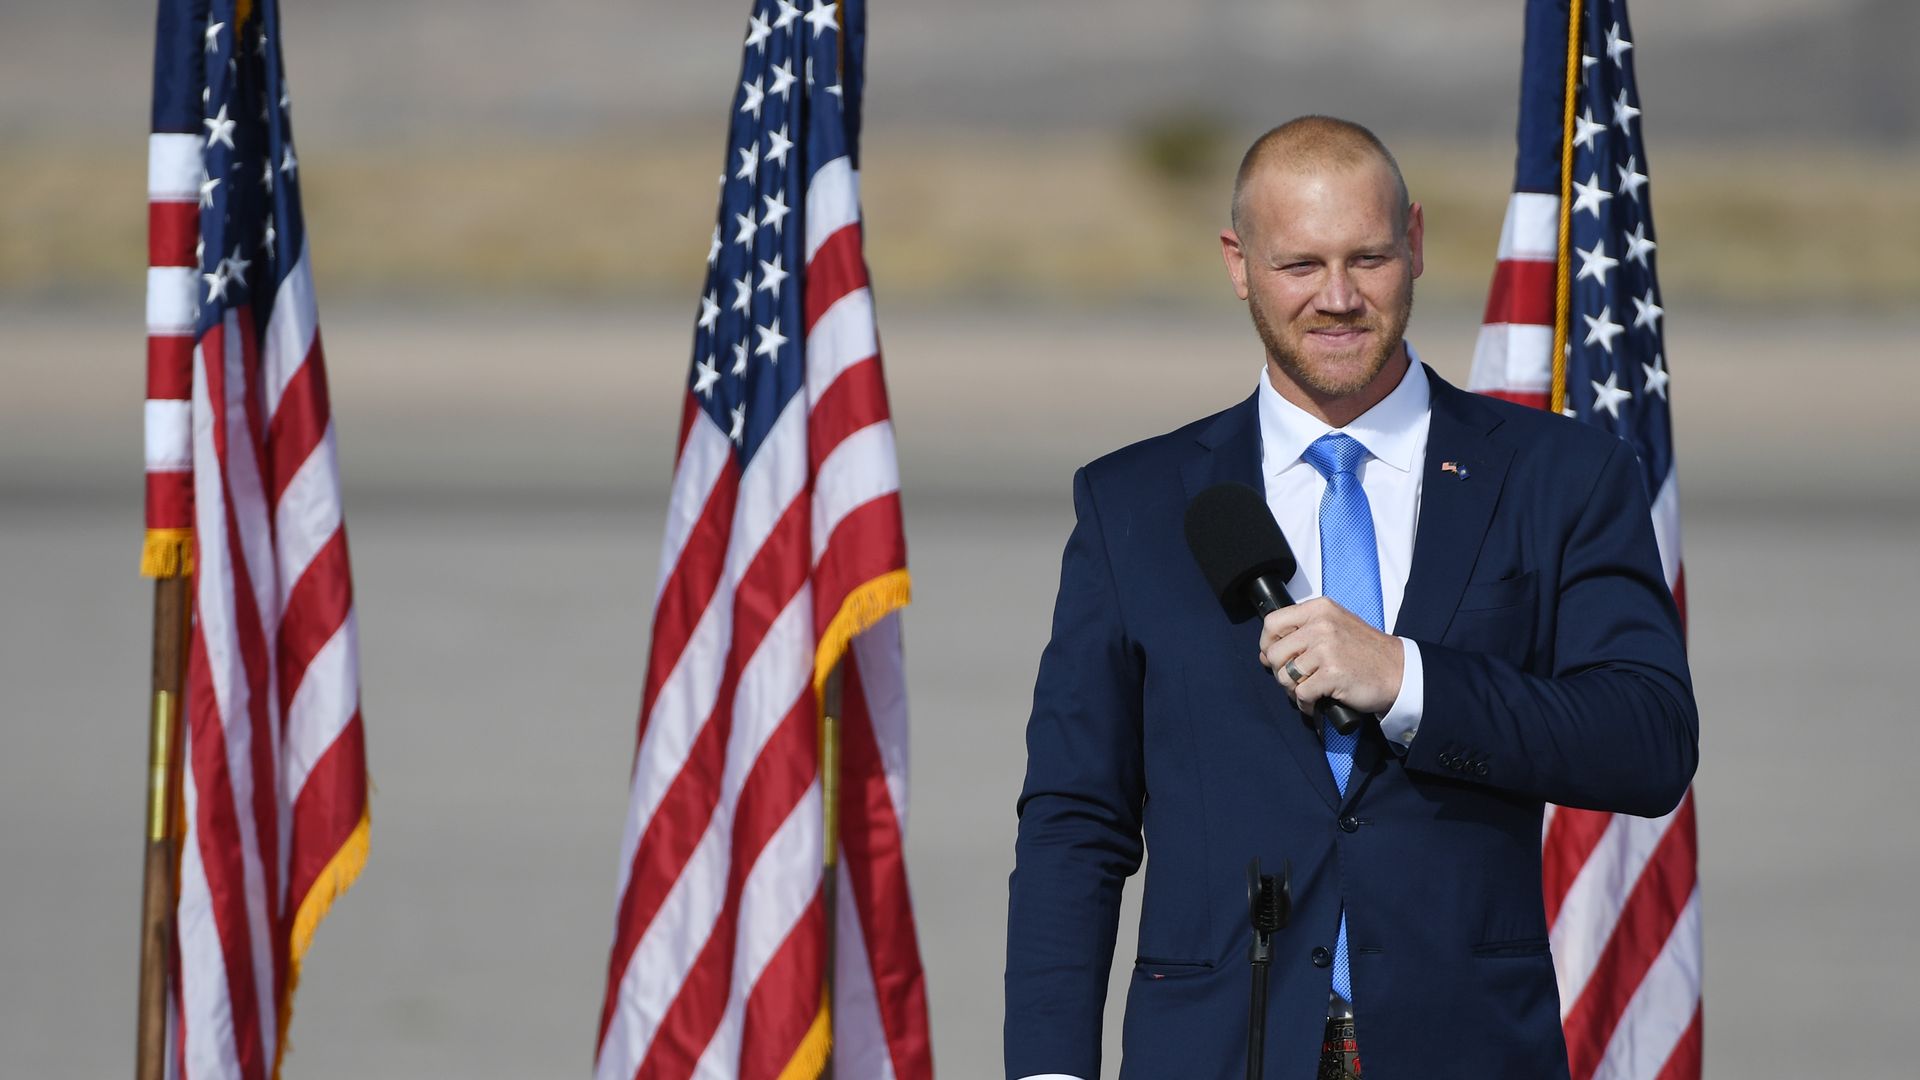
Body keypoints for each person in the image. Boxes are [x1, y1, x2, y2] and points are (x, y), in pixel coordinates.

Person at [1002, 116, 1697, 1080]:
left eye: (1367, 258)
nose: (1338, 299)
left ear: (1414, 242)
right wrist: (1047, 1068)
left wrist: (1409, 680)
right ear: (1239, 263)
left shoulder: (1558, 476)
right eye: (1300, 265)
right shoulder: (1135, 504)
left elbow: (1649, 739)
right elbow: (1076, 817)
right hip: (1213, 1050)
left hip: (1468, 1048)